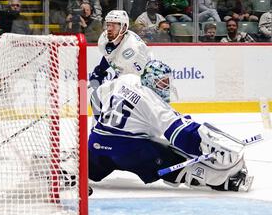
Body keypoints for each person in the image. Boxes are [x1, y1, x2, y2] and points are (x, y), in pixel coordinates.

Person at [88, 60, 253, 192]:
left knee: (93, 170)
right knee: (177, 158)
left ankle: (74, 172)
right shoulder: (152, 100)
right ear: (150, 82)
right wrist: (207, 149)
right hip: (131, 153)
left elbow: (96, 96)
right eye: (162, 83)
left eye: (167, 82)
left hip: (96, 146)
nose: (166, 87)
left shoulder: (125, 80)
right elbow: (181, 134)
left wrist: (98, 123)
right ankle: (225, 181)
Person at [89, 10, 152, 90]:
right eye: (108, 25)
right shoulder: (104, 39)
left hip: (142, 74)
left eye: (113, 25)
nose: (109, 29)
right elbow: (109, 55)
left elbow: (137, 78)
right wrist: (100, 70)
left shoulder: (133, 49)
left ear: (123, 28)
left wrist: (116, 83)